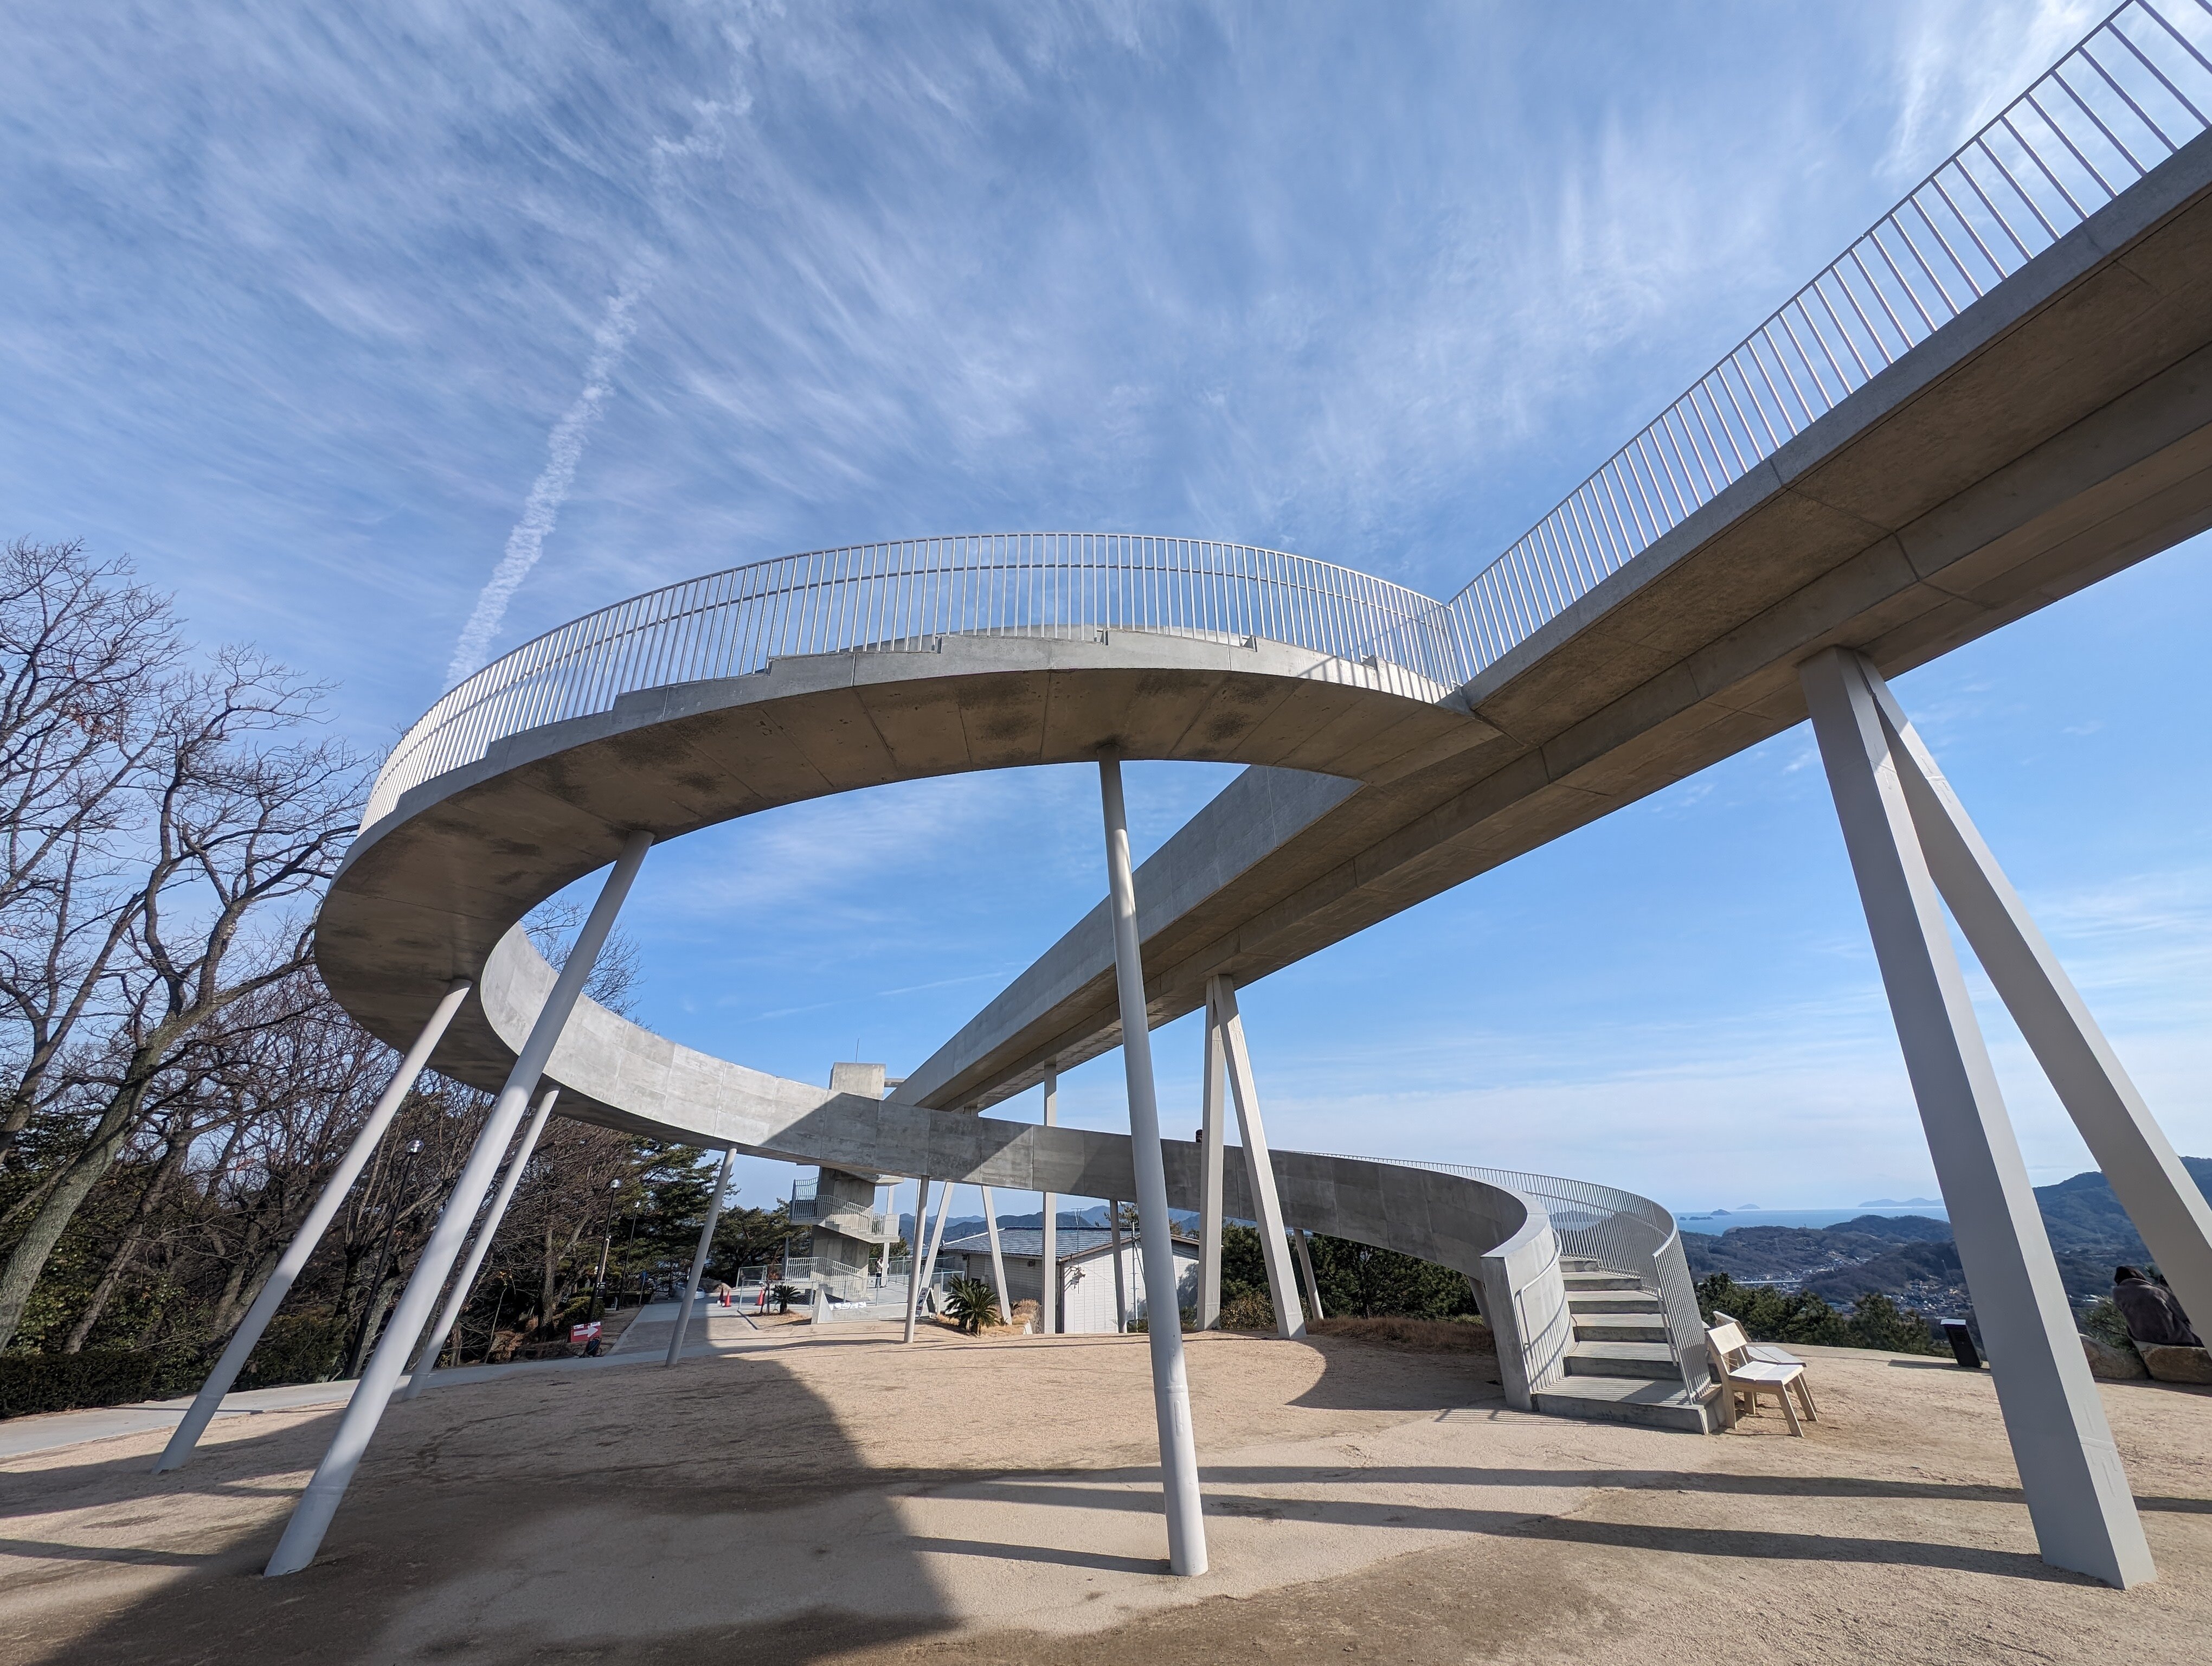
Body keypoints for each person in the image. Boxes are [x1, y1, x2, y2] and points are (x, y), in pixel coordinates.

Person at [2112, 1266, 2201, 1349]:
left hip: (2143, 1341)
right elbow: (2182, 1314)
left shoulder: (2117, 1295)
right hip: (2175, 1338)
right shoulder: (2155, 1292)